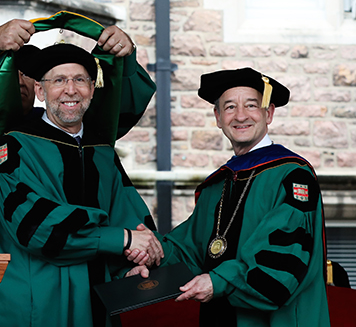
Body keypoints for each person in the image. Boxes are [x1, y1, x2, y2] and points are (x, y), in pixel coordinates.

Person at [0, 12, 157, 256]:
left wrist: (125, 55)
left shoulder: (72, 139)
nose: (20, 79)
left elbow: (111, 110)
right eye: (10, 68)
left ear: (40, 89)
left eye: (29, 73)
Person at [127, 67, 330, 326]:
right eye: (230, 107)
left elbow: (281, 261)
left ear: (268, 114)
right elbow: (189, 248)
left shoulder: (292, 176)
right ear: (218, 117)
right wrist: (152, 253)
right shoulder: (218, 184)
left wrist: (218, 281)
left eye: (251, 106)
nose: (240, 115)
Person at [0, 42, 163, 327]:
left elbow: (127, 212)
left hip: (100, 299)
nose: (70, 90)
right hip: (39, 303)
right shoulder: (15, 146)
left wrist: (134, 262)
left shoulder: (102, 151)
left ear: (92, 90)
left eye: (80, 80)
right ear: (41, 92)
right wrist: (121, 239)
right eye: (59, 80)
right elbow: (34, 225)